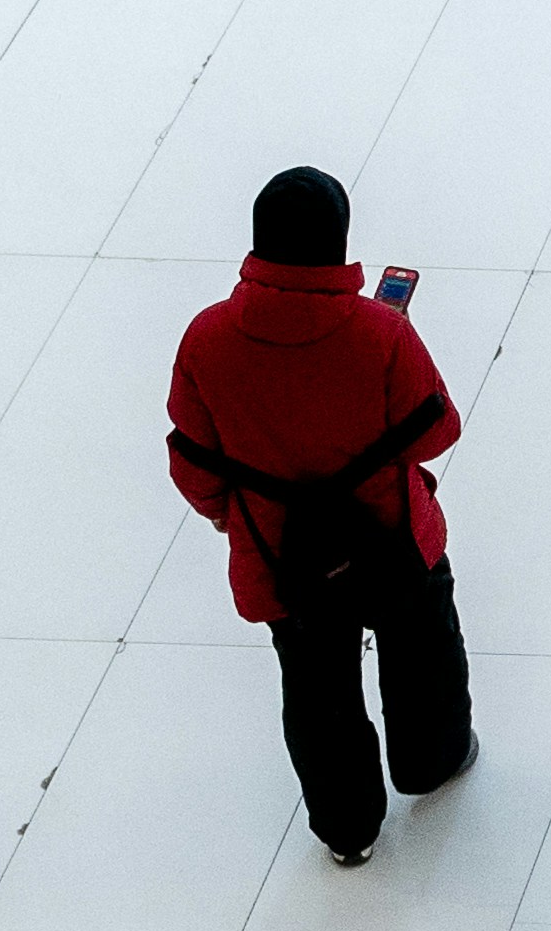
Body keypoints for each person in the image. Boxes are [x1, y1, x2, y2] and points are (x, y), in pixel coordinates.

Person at [167, 165, 476, 866]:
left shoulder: (207, 339)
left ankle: (348, 830)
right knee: (421, 652)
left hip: (283, 558)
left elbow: (192, 459)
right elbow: (438, 431)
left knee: (315, 690)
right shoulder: (379, 335)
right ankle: (432, 763)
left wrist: (235, 520)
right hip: (392, 540)